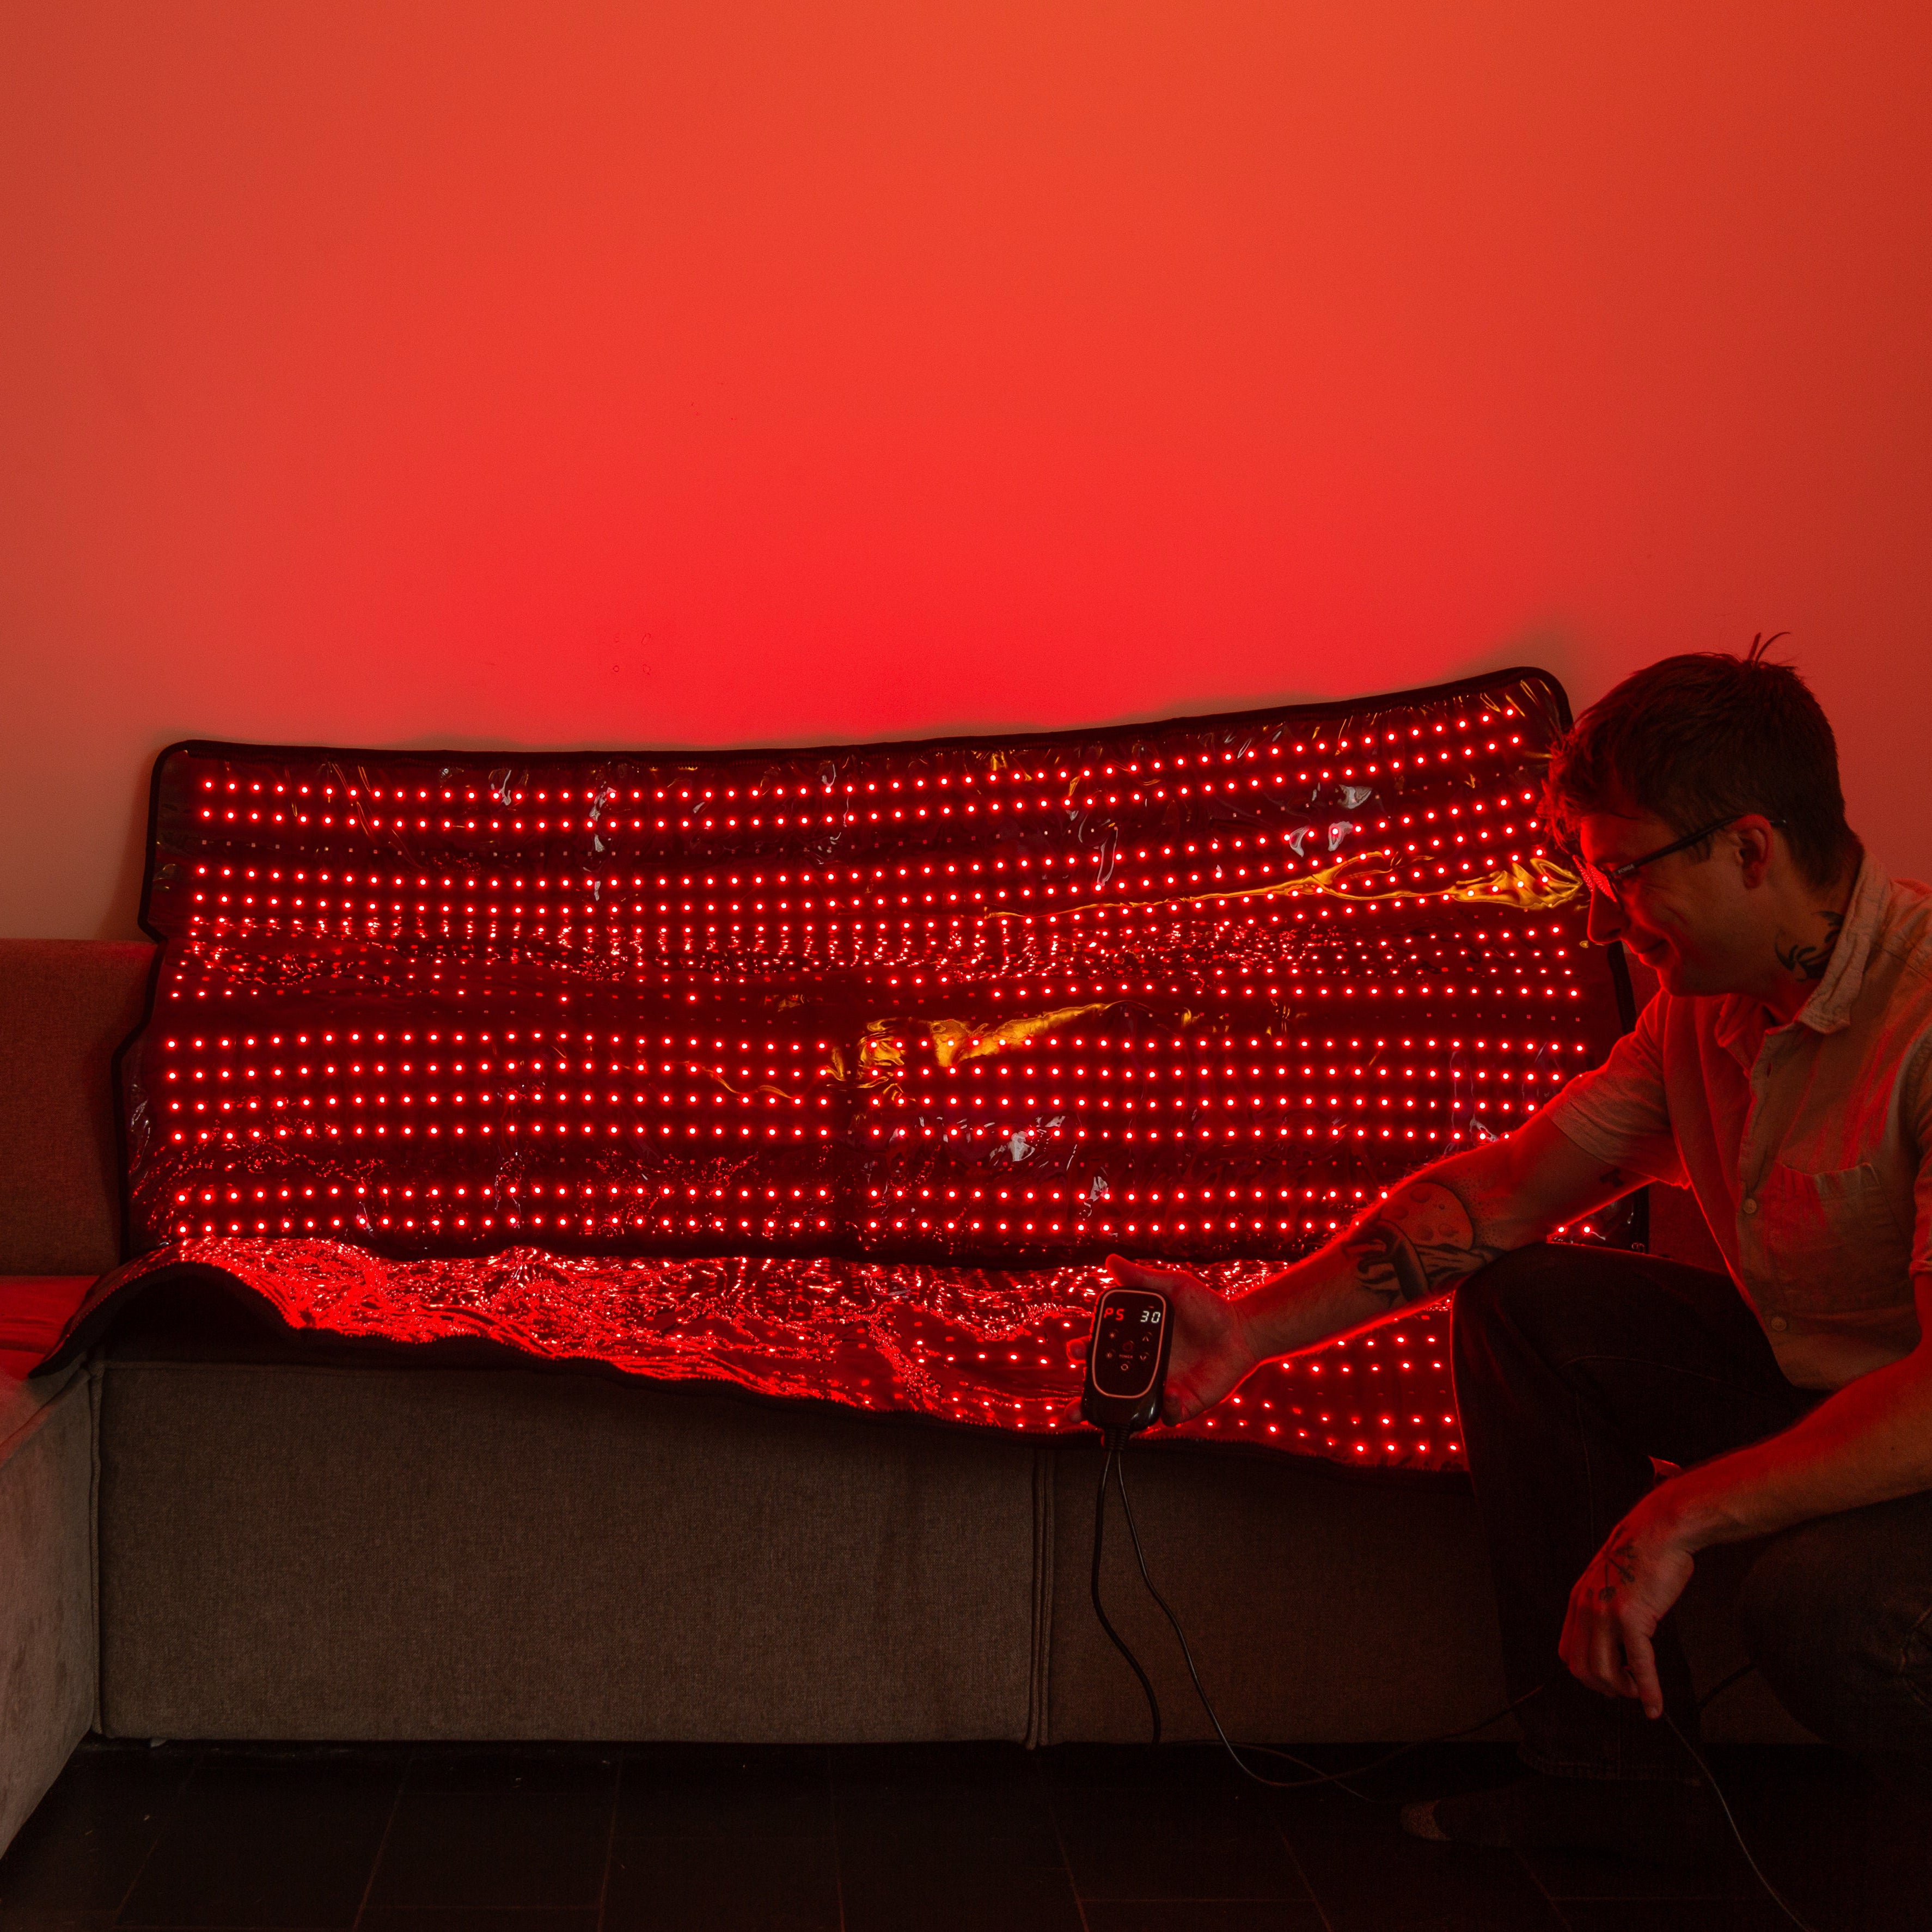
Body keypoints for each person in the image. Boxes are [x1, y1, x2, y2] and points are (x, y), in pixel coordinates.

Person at [1109, 644, 1932, 1863]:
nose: (1603, 919)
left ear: (1751, 850)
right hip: (1827, 1386)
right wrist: (1249, 1328)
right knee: (1529, 1305)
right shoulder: (1698, 1015)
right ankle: (1612, 1787)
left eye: (1624, 874)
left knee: (1821, 1605)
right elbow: (1501, 1192)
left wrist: (1678, 1515)